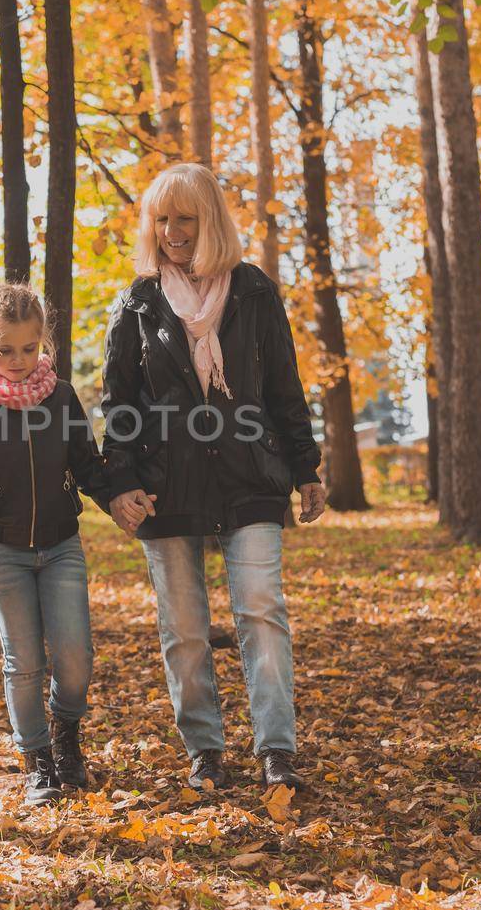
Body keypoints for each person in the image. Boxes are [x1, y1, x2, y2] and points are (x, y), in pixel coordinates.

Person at [99, 162, 326, 792]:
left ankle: (276, 748)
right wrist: (120, 482)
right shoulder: (138, 304)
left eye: (186, 218)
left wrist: (305, 467)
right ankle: (205, 749)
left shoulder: (252, 291)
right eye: (162, 219)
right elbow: (117, 402)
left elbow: (284, 387)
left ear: (211, 221)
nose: (172, 230)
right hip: (166, 487)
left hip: (250, 477)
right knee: (186, 629)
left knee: (261, 611)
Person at [0, 282, 110, 808]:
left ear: (43, 342)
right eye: (5, 349)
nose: (17, 360)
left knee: (75, 655)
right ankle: (38, 763)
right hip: (0, 548)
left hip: (60, 544)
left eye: (28, 349)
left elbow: (88, 463)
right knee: (23, 661)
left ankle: (66, 733)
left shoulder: (61, 396)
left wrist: (118, 498)